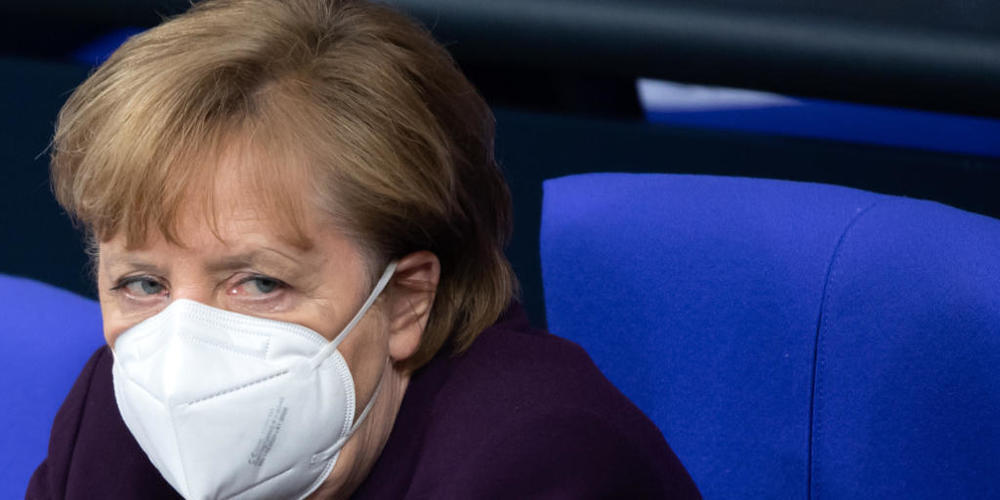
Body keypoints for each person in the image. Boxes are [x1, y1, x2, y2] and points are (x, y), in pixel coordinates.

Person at [26, 0, 700, 498]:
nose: (182, 356)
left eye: (259, 283)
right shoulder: (112, 423)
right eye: (143, 284)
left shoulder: (540, 460)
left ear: (406, 300)